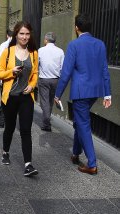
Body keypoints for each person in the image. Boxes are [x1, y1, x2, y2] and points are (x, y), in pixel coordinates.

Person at [54, 13, 111, 175]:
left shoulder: (74, 45)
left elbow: (66, 73)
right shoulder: (100, 44)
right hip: (95, 91)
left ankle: (92, 163)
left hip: (81, 92)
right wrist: (108, 94)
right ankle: (75, 153)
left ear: (76, 28)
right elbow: (104, 70)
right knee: (80, 122)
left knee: (83, 124)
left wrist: (57, 94)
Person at [0, 21, 39, 177]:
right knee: (9, 127)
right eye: (22, 33)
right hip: (11, 97)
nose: (25, 37)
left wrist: (33, 85)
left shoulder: (34, 53)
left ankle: (28, 164)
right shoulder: (8, 52)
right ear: (16, 34)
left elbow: (35, 74)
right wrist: (11, 71)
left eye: (27, 34)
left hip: (26, 97)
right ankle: (5, 151)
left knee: (26, 130)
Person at [38, 32, 64, 132]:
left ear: (46, 40)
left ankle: (46, 122)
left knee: (44, 101)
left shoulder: (41, 50)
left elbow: (36, 65)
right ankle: (47, 118)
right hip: (56, 80)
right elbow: (62, 68)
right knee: (50, 101)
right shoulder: (60, 51)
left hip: (44, 79)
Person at [0, 29, 13, 128]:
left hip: (6, 76)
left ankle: (3, 120)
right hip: (16, 77)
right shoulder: (20, 45)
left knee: (4, 98)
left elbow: (0, 62)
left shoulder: (3, 45)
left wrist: (0, 77)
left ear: (7, 35)